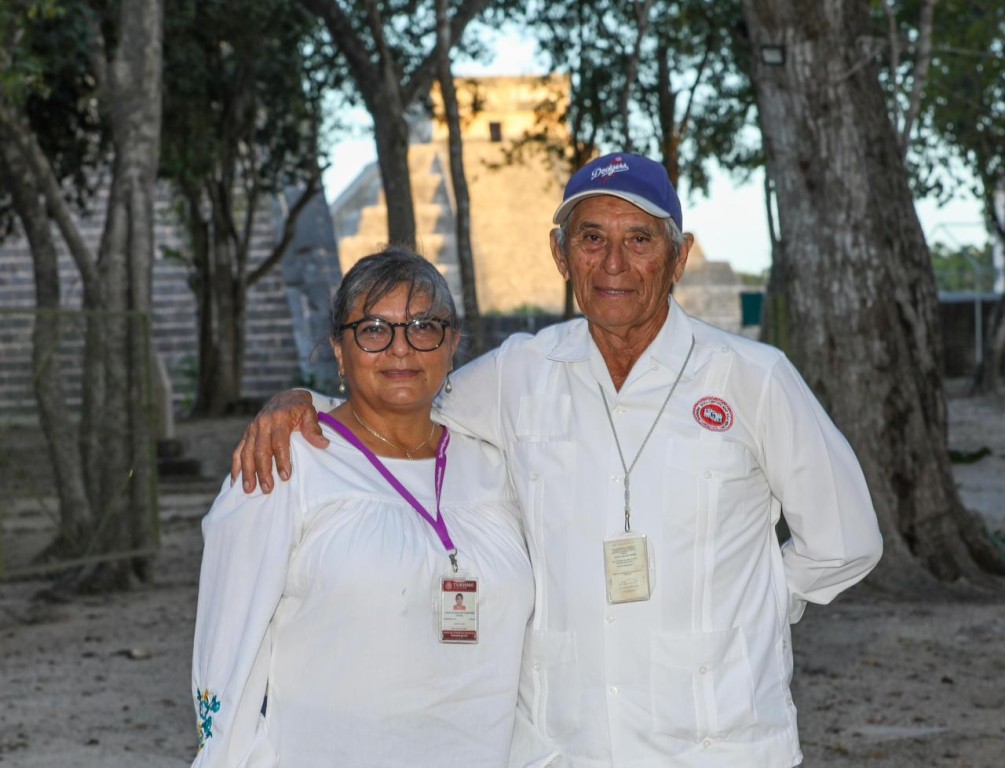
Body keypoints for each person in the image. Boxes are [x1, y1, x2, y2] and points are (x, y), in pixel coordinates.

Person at [234, 152, 883, 767]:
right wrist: (305, 401)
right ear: (559, 252)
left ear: (678, 257)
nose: (613, 264)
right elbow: (406, 391)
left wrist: (753, 607)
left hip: (720, 745)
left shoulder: (752, 377)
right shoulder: (520, 371)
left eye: (639, 240)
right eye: (591, 238)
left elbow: (845, 539)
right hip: (561, 747)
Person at [191, 247, 534, 767]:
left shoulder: (496, 464)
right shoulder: (287, 462)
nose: (401, 349)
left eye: (424, 326)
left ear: (452, 342)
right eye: (373, 329)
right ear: (338, 347)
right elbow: (227, 649)